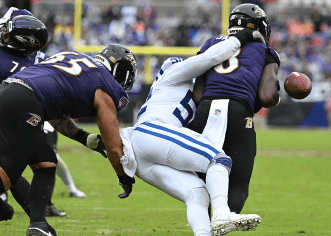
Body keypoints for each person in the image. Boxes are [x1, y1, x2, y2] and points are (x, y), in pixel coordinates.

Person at [118, 29, 266, 236]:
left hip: (143, 153)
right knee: (218, 158)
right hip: (152, 132)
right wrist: (242, 37)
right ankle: (222, 213)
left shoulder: (182, 94)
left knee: (197, 193)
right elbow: (212, 57)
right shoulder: (173, 74)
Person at [0, 43, 137, 236]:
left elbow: (53, 111)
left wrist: (84, 138)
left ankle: (38, 225)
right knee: (11, 167)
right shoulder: (104, 82)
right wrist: (124, 177)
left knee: (46, 160)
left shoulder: (75, 58)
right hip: (25, 100)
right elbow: (114, 147)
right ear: (118, 70)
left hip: (9, 90)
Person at [190, 3, 281, 214]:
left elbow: (197, 92)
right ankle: (221, 224)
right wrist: (277, 92)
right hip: (237, 111)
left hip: (205, 109)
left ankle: (203, 228)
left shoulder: (210, 43)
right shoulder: (265, 51)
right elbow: (267, 96)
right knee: (238, 184)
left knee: (201, 181)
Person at [0, 8, 83, 220]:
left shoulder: (14, 61)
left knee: (34, 163)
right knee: (42, 162)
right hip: (28, 120)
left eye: (7, 33)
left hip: (19, 119)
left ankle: (36, 215)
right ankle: (38, 217)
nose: (3, 34)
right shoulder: (39, 60)